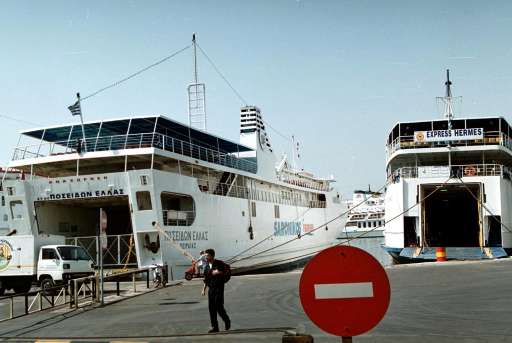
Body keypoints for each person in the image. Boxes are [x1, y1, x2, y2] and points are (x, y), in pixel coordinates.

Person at [201, 248, 230, 333]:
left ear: (212, 256)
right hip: (211, 289)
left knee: (219, 306)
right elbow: (206, 279)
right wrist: (203, 290)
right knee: (211, 309)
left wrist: (219, 272)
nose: (205, 257)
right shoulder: (206, 267)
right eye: (205, 255)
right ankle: (215, 327)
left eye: (207, 255)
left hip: (219, 288)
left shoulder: (219, 263)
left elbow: (226, 272)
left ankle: (226, 320)